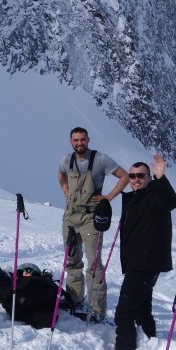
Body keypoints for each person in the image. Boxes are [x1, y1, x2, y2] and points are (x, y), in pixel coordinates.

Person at [110, 154, 176, 350]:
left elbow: (170, 202)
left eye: (141, 175)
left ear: (148, 177)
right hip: (138, 263)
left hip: (144, 264)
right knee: (142, 307)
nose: (136, 179)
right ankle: (150, 340)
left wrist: (161, 178)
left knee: (124, 311)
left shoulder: (154, 197)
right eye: (132, 176)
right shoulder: (135, 198)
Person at [56, 127, 129, 323]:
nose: (79, 143)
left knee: (94, 264)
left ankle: (97, 309)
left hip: (90, 217)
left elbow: (125, 176)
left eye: (82, 139)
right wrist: (65, 190)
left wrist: (108, 197)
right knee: (72, 260)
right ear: (71, 141)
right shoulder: (66, 160)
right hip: (70, 216)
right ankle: (75, 300)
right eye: (75, 140)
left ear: (88, 140)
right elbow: (61, 174)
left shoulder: (100, 159)